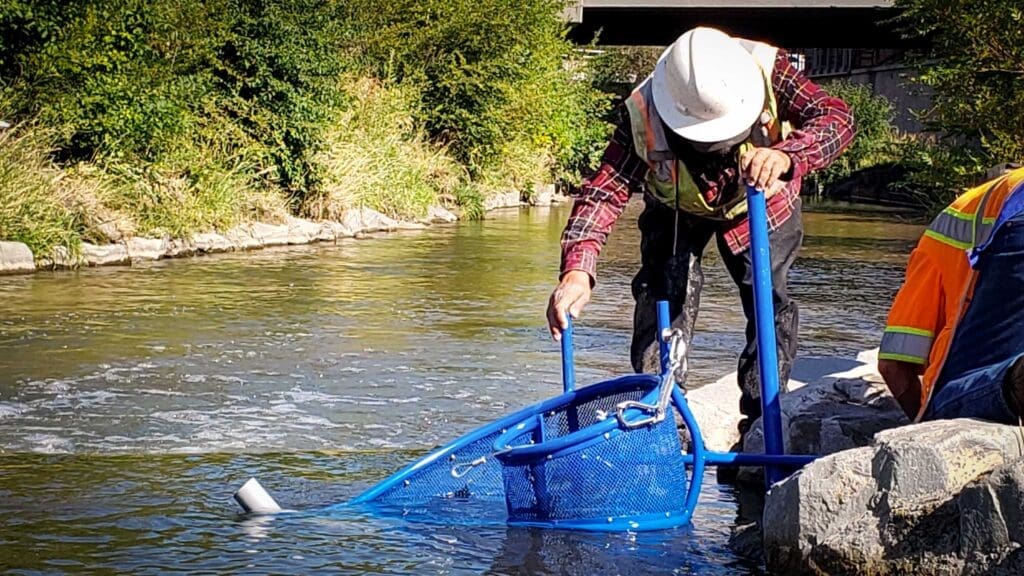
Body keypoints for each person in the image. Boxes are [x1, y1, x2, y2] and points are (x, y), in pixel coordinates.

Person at [545, 26, 854, 433]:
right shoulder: (642, 112)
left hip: (763, 205)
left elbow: (838, 118)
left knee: (769, 306)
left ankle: (763, 426)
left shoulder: (768, 68)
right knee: (662, 296)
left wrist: (787, 155)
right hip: (675, 208)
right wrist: (576, 273)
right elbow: (603, 193)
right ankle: (662, 419)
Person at [879, 166, 1024, 423]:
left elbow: (894, 366)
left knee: (959, 391)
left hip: (1016, 224)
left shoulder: (950, 224)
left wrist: (923, 426)